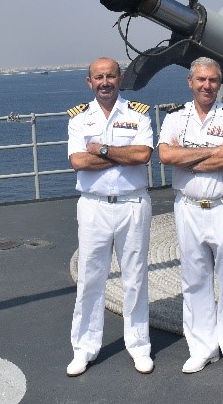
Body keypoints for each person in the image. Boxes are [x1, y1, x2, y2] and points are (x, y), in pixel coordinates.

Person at [158, 57, 223, 378]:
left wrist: (190, 158)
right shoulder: (174, 118)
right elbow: (166, 155)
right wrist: (215, 152)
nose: (207, 85)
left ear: (219, 83)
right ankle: (202, 348)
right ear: (190, 82)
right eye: (201, 80)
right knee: (194, 279)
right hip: (188, 208)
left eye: (212, 80)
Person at [65, 57, 155, 377]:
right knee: (91, 278)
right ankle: (84, 349)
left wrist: (101, 150)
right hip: (94, 206)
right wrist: (121, 155)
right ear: (90, 82)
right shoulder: (79, 118)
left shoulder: (138, 114)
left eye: (111, 76)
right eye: (99, 77)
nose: (105, 82)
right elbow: (78, 161)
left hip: (133, 205)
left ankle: (139, 346)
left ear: (120, 79)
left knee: (135, 278)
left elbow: (143, 155)